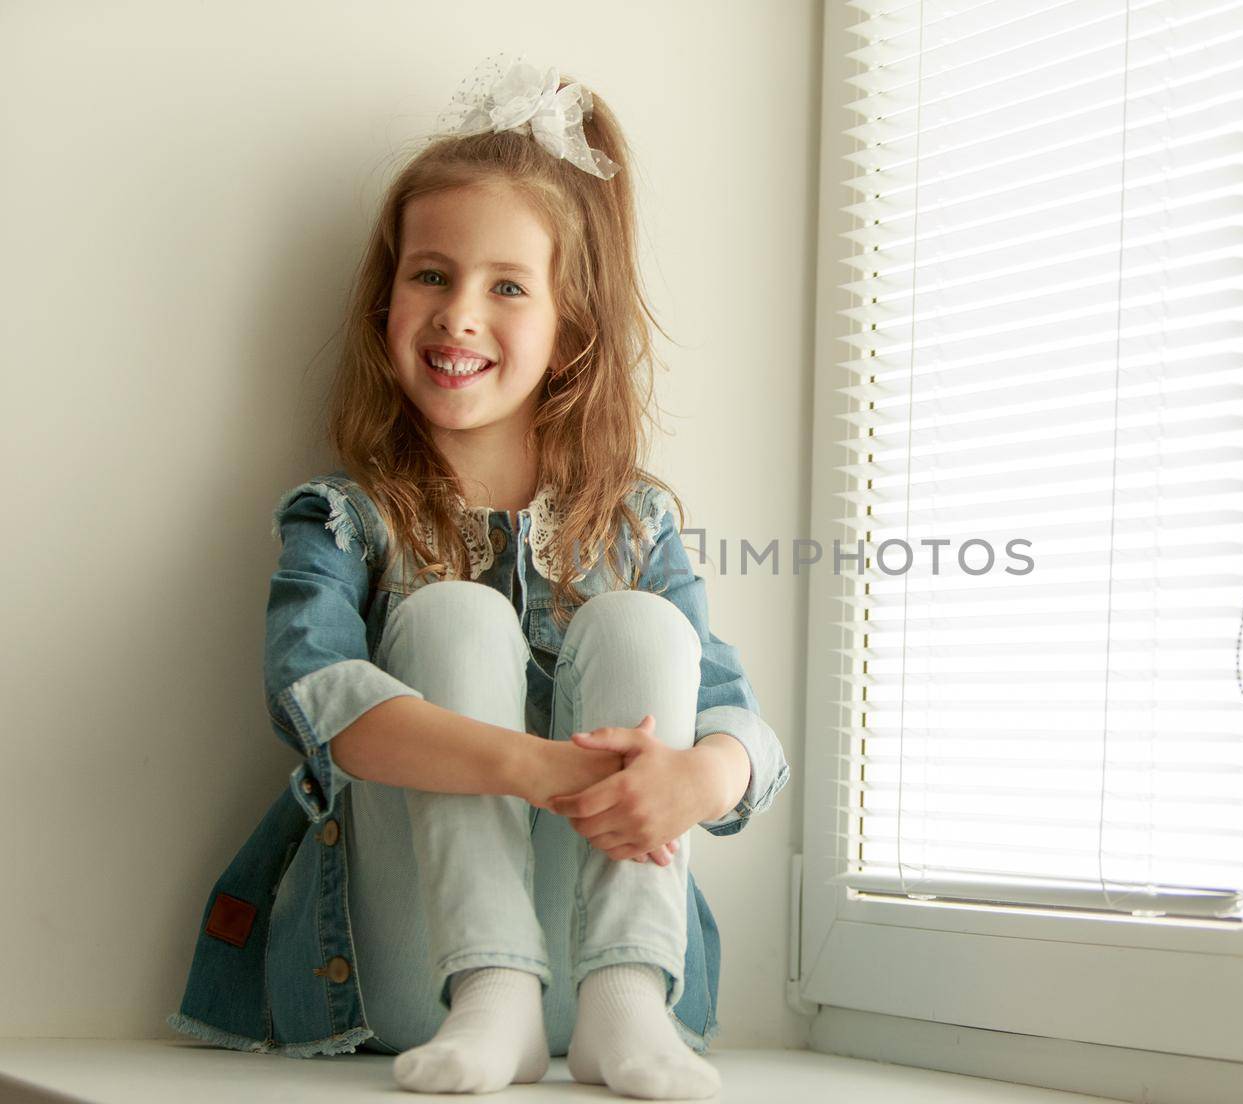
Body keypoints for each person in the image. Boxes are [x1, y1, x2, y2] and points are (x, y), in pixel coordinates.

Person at [165, 59, 789, 1099]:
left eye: (506, 286)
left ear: (567, 331)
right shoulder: (345, 518)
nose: (459, 314)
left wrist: (698, 778)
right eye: (431, 276)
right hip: (420, 986)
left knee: (641, 626)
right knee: (451, 613)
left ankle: (628, 999)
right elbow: (318, 702)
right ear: (384, 304)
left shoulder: (633, 525)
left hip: (599, 977)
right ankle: (492, 991)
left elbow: (741, 721)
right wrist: (534, 766)